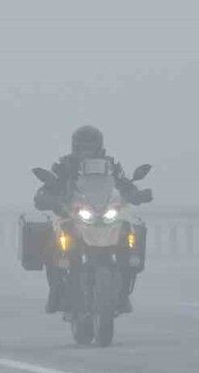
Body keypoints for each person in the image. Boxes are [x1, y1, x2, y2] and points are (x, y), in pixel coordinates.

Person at [33, 125, 151, 313]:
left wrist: (136, 194)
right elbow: (50, 186)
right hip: (72, 215)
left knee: (129, 235)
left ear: (98, 146)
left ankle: (123, 293)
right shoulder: (64, 166)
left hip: (104, 214)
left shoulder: (111, 167)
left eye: (90, 146)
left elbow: (124, 184)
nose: (86, 151)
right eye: (83, 147)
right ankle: (55, 290)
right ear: (75, 147)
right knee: (54, 242)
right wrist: (48, 198)